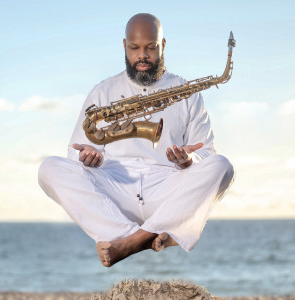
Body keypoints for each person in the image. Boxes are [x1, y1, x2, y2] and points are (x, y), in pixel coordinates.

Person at [38, 13, 234, 267]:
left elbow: (207, 152)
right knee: (49, 169)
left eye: (151, 47)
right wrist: (88, 159)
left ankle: (129, 242)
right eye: (135, 48)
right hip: (115, 190)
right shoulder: (102, 91)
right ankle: (147, 234)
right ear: (124, 46)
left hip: (167, 189)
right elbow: (74, 154)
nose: (142, 55)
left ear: (162, 46)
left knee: (223, 167)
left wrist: (189, 161)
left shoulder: (188, 92)